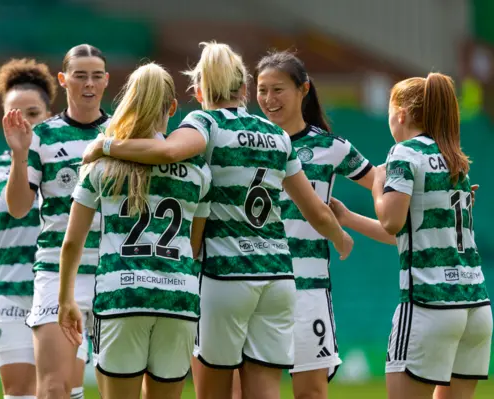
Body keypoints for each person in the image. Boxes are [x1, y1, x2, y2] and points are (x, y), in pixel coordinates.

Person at [80, 41, 353, 399]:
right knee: (266, 388)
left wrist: (105, 146)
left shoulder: (204, 123)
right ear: (244, 88)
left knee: (212, 391)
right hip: (277, 276)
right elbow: (316, 209)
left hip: (225, 275)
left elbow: (167, 151)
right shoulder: (276, 135)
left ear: (201, 89)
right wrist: (341, 238)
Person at [331, 73, 492, 399]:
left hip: (430, 304)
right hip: (476, 308)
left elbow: (390, 221)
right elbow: (410, 236)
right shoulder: (454, 159)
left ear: (400, 113)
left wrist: (378, 182)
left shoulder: (404, 154)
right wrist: (348, 218)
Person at [57, 62, 211, 399]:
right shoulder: (198, 170)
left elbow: (72, 242)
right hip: (179, 297)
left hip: (121, 296)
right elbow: (194, 245)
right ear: (171, 107)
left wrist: (65, 298)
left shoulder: (102, 163)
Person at [251, 50, 376, 399]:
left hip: (309, 289)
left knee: (311, 392)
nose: (268, 99)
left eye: (278, 90)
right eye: (262, 90)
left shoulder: (330, 147)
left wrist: (440, 189)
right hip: (254, 282)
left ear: (303, 89)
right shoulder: (248, 143)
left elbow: (383, 182)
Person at [3, 44, 110, 399]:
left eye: (96, 76)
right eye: (80, 76)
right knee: (53, 387)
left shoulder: (122, 133)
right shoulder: (43, 136)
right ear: (64, 80)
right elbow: (18, 207)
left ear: (106, 81)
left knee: (119, 389)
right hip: (57, 271)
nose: (89, 83)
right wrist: (20, 154)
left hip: (115, 269)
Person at [0, 58, 56, 399]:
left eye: (33, 114)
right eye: (14, 115)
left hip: (57, 290)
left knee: (55, 390)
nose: (23, 123)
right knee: (19, 393)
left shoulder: (70, 166)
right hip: (9, 291)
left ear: (50, 116)